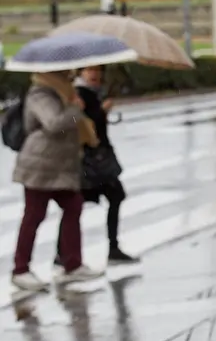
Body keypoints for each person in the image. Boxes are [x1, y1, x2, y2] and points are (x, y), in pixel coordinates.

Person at [11, 71, 104, 290]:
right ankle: (20, 270)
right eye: (66, 72)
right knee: (34, 214)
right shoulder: (41, 94)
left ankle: (72, 264)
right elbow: (53, 124)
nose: (70, 75)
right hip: (40, 165)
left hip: (60, 166)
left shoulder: (63, 92)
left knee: (73, 206)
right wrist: (74, 110)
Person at [54, 66, 138, 267]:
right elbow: (81, 124)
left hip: (101, 158)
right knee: (74, 205)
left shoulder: (95, 93)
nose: (94, 74)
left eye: (97, 70)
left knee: (113, 197)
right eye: (89, 70)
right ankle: (63, 253)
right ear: (81, 72)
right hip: (86, 159)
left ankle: (112, 247)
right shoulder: (78, 94)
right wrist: (101, 111)